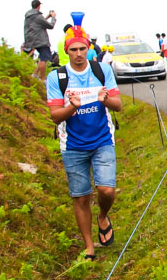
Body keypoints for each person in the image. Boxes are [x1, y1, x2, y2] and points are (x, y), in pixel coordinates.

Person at [46, 27, 122, 259]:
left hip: (102, 140)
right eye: (73, 49)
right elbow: (56, 116)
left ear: (88, 49)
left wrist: (106, 100)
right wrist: (73, 107)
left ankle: (102, 216)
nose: (78, 53)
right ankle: (89, 246)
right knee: (81, 197)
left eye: (82, 48)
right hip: (72, 146)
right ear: (66, 51)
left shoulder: (102, 70)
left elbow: (118, 105)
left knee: (107, 190)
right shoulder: (57, 77)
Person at [23, 0, 57, 79]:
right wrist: (53, 17)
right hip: (40, 40)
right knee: (44, 58)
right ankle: (42, 78)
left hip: (31, 39)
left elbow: (39, 22)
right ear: (39, 6)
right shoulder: (38, 16)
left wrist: (48, 17)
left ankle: (34, 74)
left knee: (43, 58)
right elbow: (50, 26)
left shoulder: (29, 15)